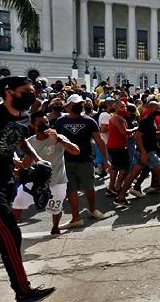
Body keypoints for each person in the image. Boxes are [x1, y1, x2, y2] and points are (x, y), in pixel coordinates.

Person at [0, 76, 56, 301]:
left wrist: (35, 158)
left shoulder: (24, 115)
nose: (33, 94)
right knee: (9, 233)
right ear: (9, 92)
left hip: (6, 181)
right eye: (27, 90)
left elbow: (19, 138)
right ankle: (23, 291)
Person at [12, 112, 81, 235]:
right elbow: (27, 163)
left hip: (57, 180)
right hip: (36, 181)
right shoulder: (30, 142)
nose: (45, 126)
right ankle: (10, 229)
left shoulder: (58, 137)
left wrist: (60, 140)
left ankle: (55, 227)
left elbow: (76, 151)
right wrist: (19, 167)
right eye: (41, 124)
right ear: (33, 126)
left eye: (46, 122)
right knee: (18, 201)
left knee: (55, 208)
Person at [55, 94, 109, 229]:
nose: (78, 107)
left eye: (79, 104)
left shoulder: (89, 121)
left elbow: (100, 141)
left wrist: (105, 160)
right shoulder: (60, 122)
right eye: (74, 104)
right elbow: (54, 143)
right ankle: (75, 218)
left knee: (90, 186)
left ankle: (92, 209)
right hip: (66, 161)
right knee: (71, 189)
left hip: (85, 160)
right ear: (67, 106)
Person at [116, 101, 160, 207]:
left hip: (143, 152)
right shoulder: (146, 121)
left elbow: (152, 135)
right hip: (147, 153)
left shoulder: (151, 120)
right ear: (151, 108)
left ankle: (120, 197)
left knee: (133, 175)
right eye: (157, 108)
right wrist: (144, 153)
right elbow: (138, 137)